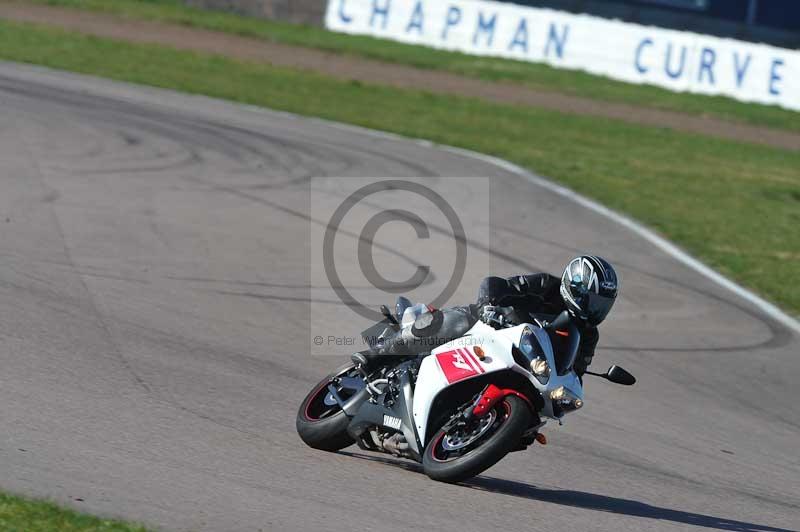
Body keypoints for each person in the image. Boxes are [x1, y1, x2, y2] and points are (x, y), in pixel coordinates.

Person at [357, 255, 619, 377]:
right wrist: (488, 306)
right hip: (487, 327)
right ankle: (376, 356)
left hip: (519, 362)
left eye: (602, 304)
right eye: (593, 300)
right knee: (455, 320)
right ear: (574, 288)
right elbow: (494, 284)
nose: (596, 309)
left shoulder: (587, 334)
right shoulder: (546, 286)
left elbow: (576, 371)